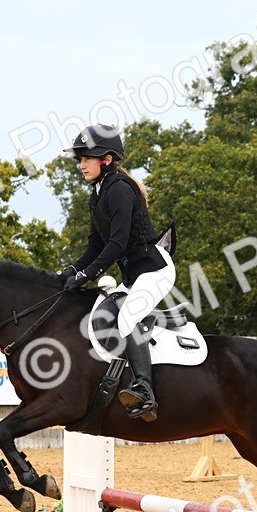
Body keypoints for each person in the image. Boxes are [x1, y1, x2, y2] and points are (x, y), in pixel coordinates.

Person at [57, 124, 176, 421]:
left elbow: (117, 244)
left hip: (155, 271)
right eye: (80, 159)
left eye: (87, 158)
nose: (81, 164)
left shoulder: (120, 189)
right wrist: (70, 270)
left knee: (126, 319)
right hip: (132, 277)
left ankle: (145, 390)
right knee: (100, 316)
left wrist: (86, 275)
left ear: (106, 159)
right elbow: (95, 245)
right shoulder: (97, 194)